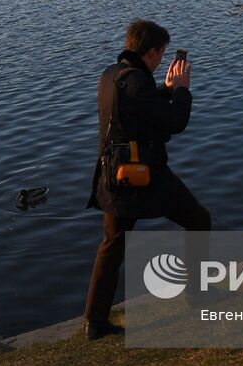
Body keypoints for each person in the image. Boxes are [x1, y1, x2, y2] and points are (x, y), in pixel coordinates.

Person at [83, 19, 211, 340]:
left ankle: (95, 322)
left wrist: (164, 89)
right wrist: (181, 90)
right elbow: (175, 122)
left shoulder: (111, 75)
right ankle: (197, 293)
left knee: (112, 244)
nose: (162, 58)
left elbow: (137, 109)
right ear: (152, 52)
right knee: (199, 219)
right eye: (162, 53)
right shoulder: (138, 82)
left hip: (113, 175)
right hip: (145, 176)